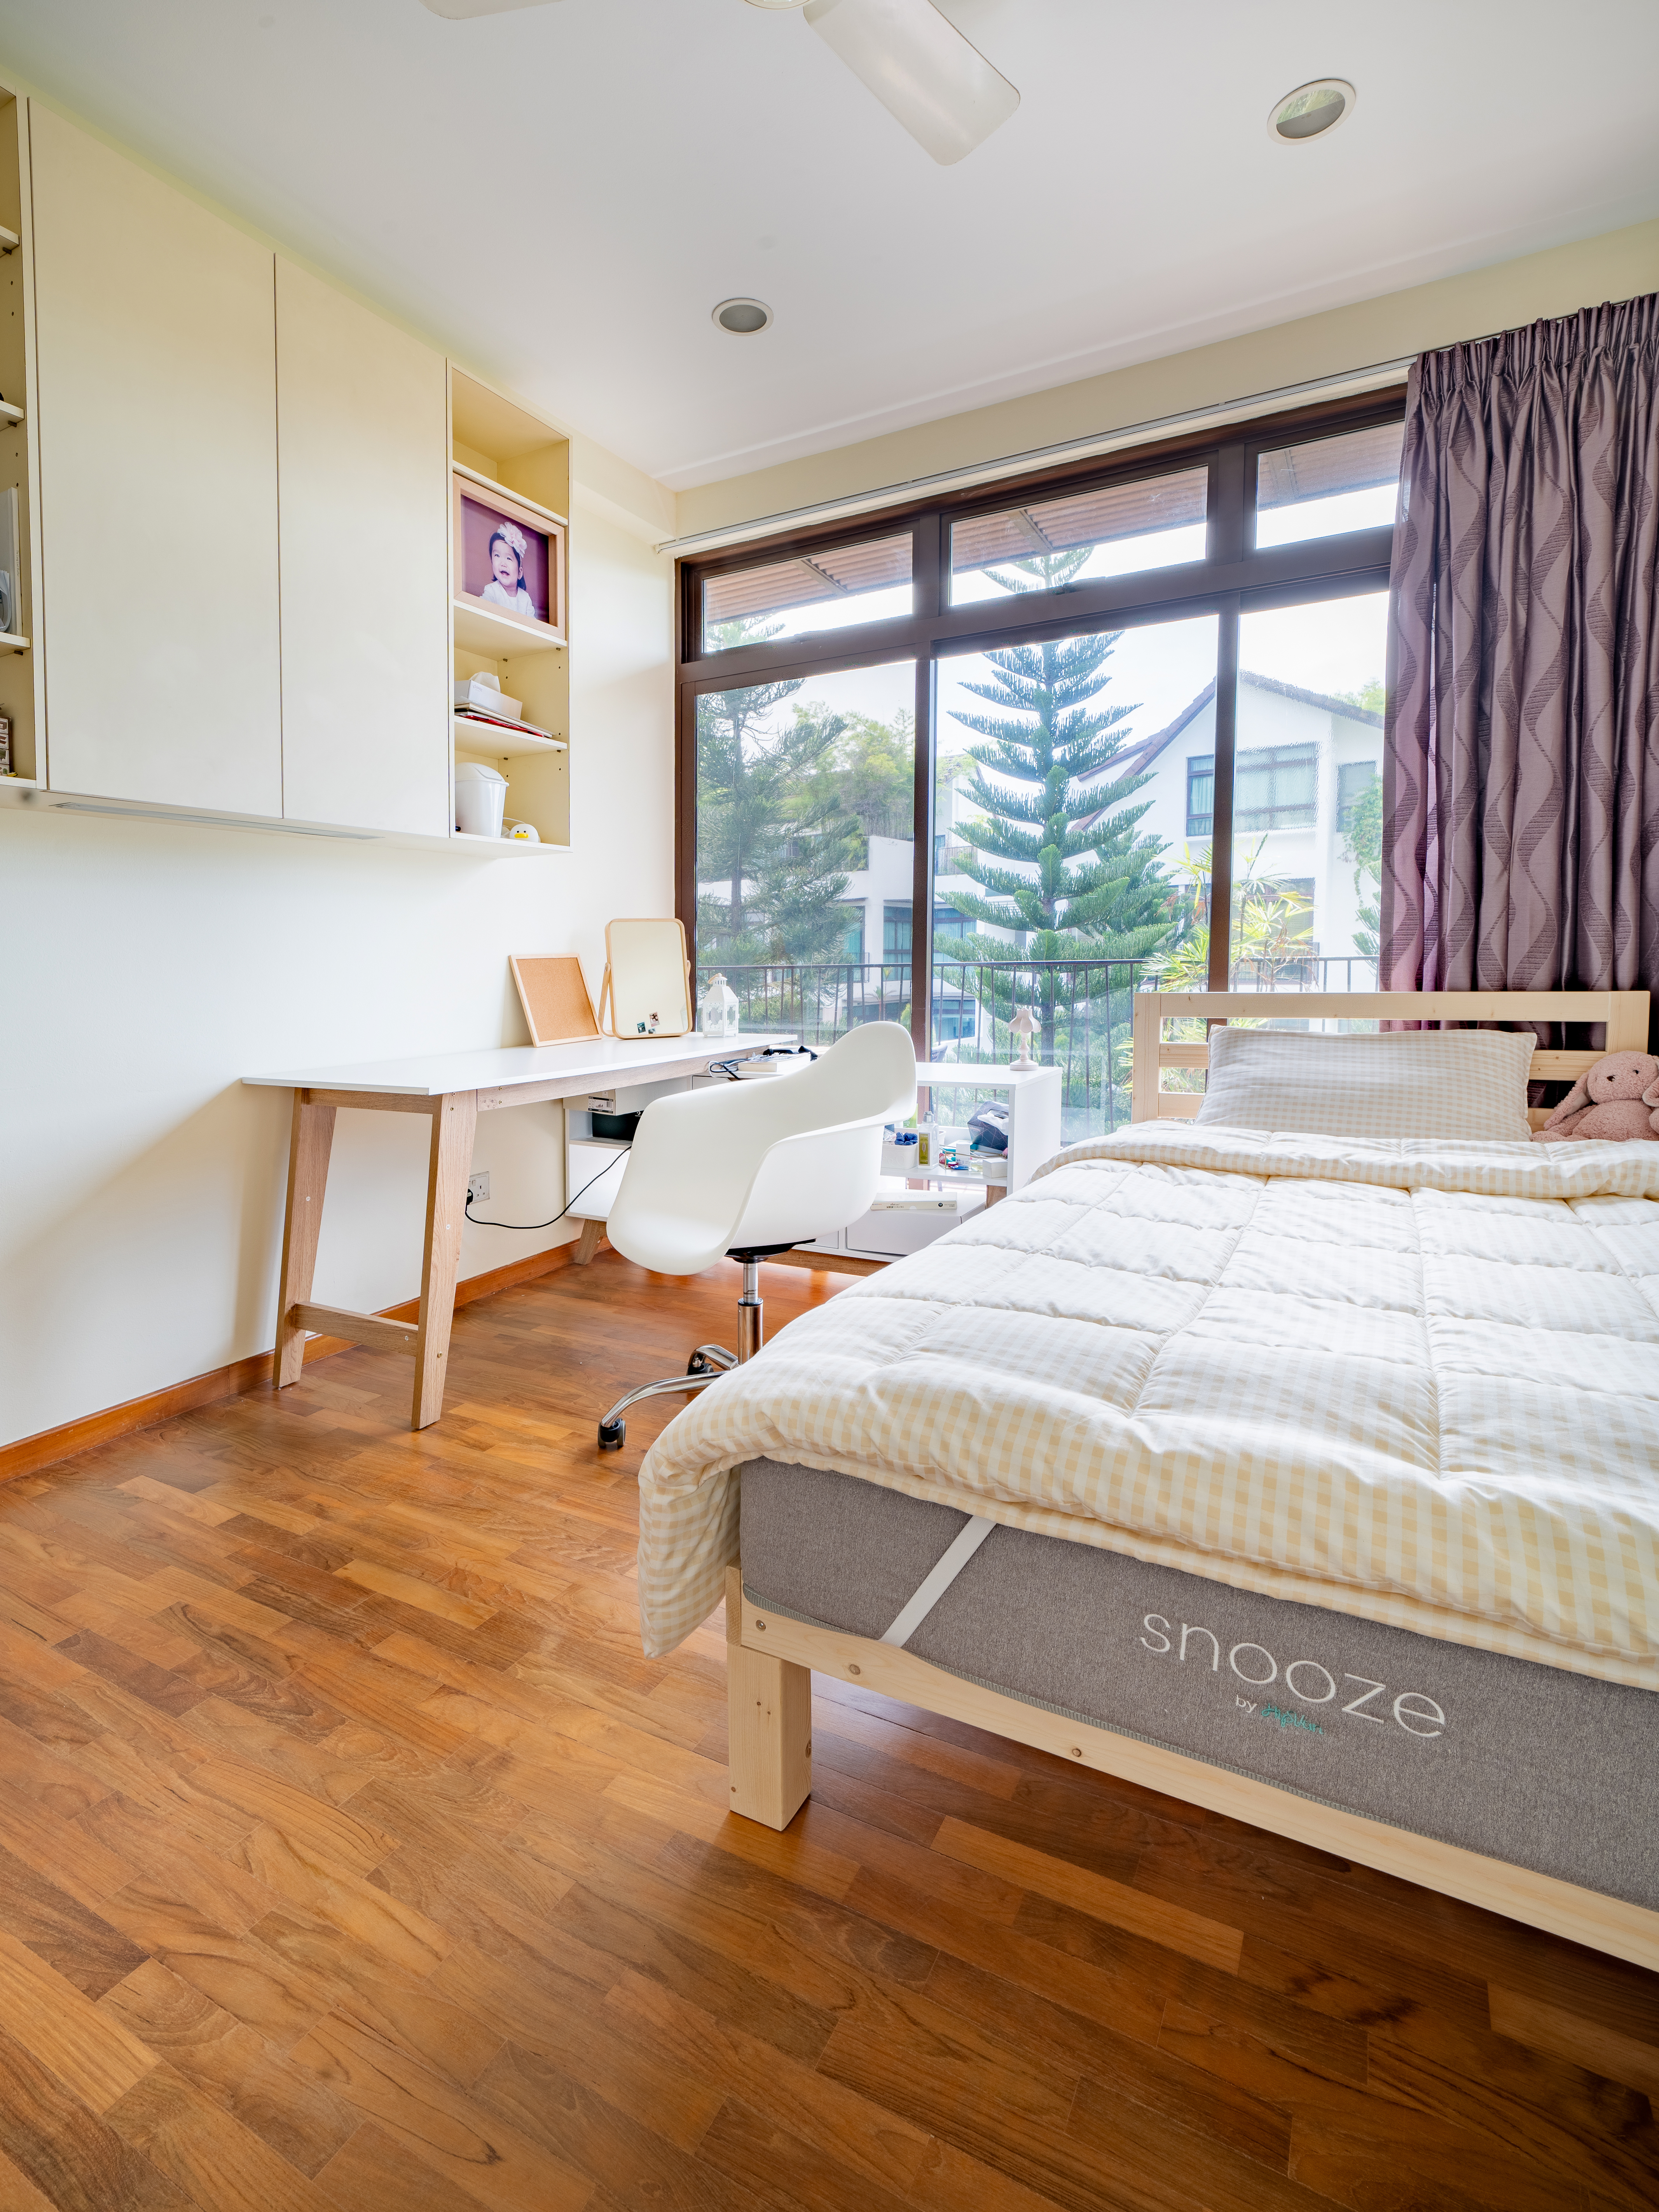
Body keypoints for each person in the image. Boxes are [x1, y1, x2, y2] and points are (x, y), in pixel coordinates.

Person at [479, 519, 538, 620]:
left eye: (509, 558)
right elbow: (481, 609)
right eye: (497, 555)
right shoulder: (492, 591)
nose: (503, 564)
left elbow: (533, 625)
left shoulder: (525, 599)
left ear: (520, 573)